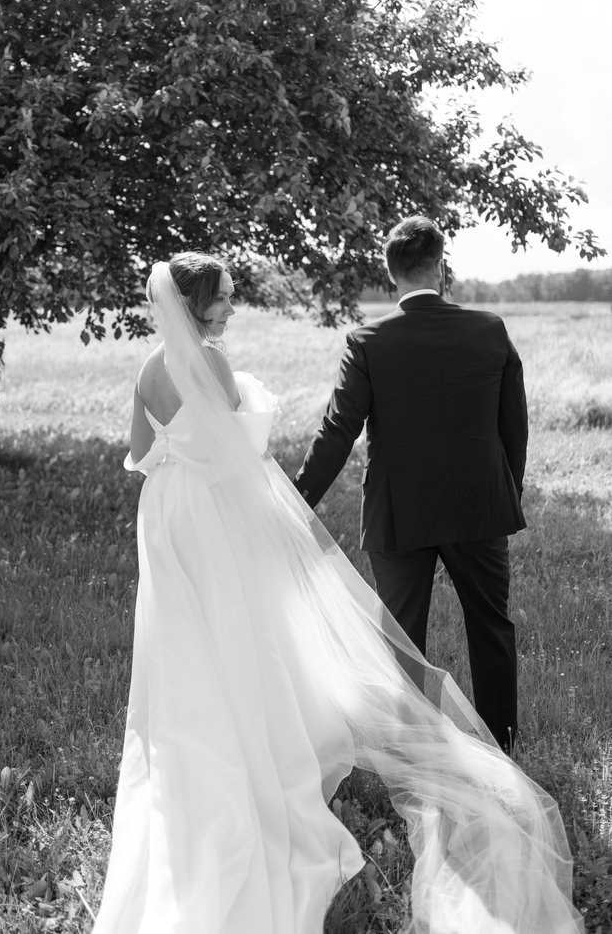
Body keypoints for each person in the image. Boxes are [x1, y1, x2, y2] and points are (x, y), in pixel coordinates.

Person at [92, 250, 582, 934]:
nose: (233, 306)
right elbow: (241, 447)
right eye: (226, 297)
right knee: (465, 624)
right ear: (199, 301)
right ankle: (484, 738)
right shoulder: (221, 364)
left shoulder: (149, 368)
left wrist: (207, 468)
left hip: (170, 515)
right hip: (231, 509)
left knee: (189, 629)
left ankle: (210, 727)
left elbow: (142, 453)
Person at [295, 217, 527, 752]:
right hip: (479, 505)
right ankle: (504, 744)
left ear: (391, 273)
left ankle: (413, 752)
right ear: (441, 267)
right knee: (491, 626)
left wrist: (298, 496)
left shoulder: (369, 339)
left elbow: (339, 430)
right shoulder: (489, 328)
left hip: (400, 511)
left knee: (401, 637)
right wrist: (504, 491)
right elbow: (514, 425)